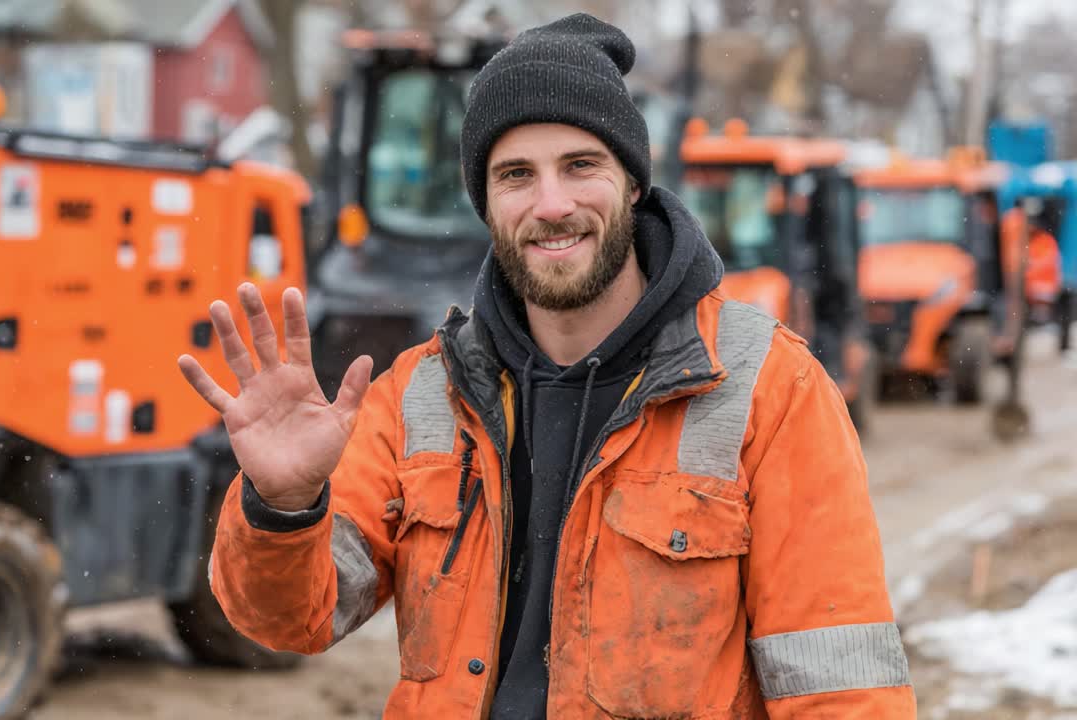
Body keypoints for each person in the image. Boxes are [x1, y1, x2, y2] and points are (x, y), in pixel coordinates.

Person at [178, 13, 916, 719]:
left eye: (580, 165)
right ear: (487, 203)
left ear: (632, 183)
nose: (551, 203)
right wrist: (283, 505)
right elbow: (291, 620)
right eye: (516, 175)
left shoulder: (767, 388)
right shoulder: (421, 395)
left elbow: (838, 684)